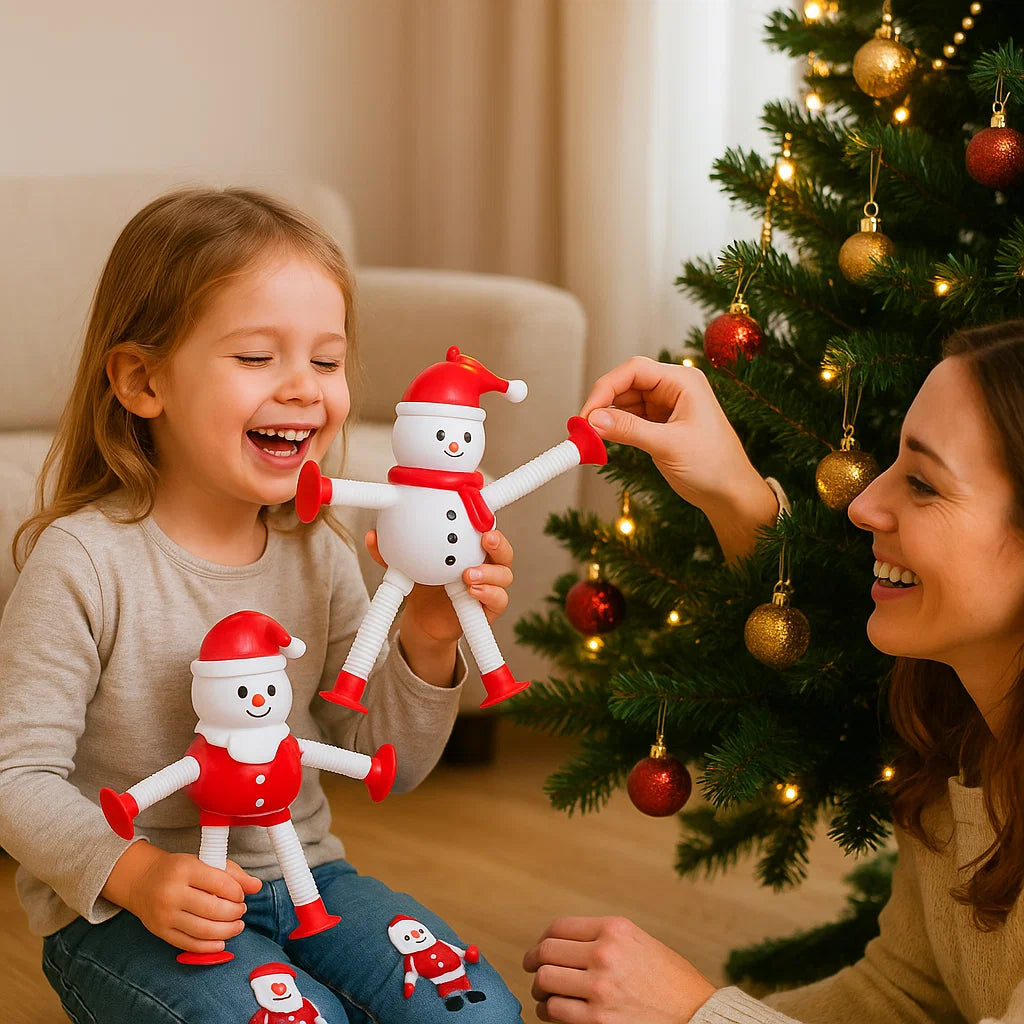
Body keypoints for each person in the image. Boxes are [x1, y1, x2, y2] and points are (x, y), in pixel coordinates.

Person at [0, 186, 523, 1023]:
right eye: (256, 358)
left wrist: (429, 632)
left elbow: (387, 756)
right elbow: (15, 778)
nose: (305, 390)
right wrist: (136, 875)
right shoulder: (83, 563)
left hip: (307, 877)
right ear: (142, 380)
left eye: (326, 360)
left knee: (479, 1011)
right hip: (123, 914)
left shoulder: (319, 549)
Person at [524, 326, 1024, 1024]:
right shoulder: (962, 737)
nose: (862, 506)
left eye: (922, 482)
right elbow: (902, 997)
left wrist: (695, 1013)